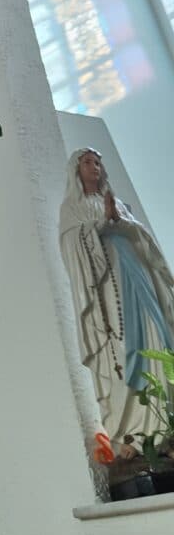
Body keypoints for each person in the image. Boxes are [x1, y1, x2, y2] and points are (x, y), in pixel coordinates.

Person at [60, 148, 174, 445]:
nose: (94, 167)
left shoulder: (117, 203)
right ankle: (135, 429)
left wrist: (118, 219)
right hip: (107, 284)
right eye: (88, 162)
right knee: (125, 342)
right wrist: (101, 223)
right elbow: (70, 242)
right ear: (76, 169)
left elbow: (141, 236)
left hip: (136, 272)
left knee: (156, 331)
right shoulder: (73, 207)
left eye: (98, 162)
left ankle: (164, 419)